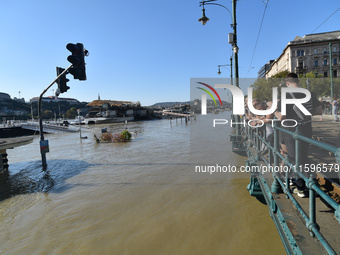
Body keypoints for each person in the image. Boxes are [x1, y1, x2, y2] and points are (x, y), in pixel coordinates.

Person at [274, 73, 323, 197]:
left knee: (292, 158)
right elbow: (319, 111)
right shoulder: (309, 93)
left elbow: (281, 116)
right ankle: (304, 182)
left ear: (287, 83)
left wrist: (274, 110)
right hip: (306, 129)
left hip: (290, 130)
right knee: (303, 156)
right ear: (298, 81)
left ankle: (299, 186)